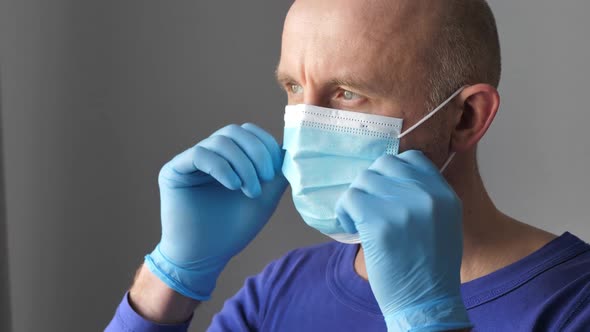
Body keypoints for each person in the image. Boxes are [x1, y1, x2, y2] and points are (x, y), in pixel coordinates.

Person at [106, 0, 590, 331]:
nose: (305, 125)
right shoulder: (282, 288)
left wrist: (426, 319)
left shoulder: (573, 304)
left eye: (347, 93)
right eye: (293, 89)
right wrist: (170, 278)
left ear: (466, 117)